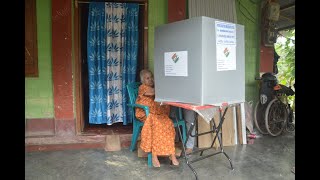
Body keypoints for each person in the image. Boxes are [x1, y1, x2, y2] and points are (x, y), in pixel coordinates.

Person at [135, 69, 179, 167]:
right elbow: (153, 92)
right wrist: (165, 86)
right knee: (156, 125)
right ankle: (154, 156)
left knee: (168, 123)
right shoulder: (143, 87)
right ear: (143, 81)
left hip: (156, 114)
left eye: (152, 77)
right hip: (146, 114)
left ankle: (172, 154)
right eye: (147, 78)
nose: (150, 80)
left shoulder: (153, 87)